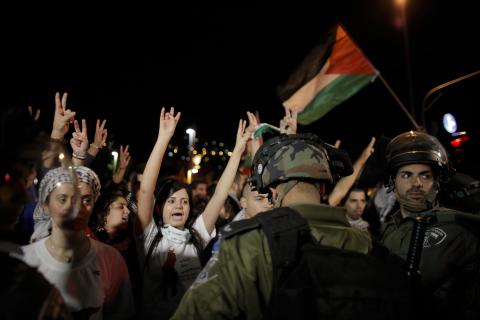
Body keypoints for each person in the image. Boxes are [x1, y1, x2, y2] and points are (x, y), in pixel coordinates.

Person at [172, 133, 372, 319]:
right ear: (322, 187)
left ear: (274, 192)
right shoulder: (365, 243)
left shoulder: (249, 244)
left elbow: (194, 312)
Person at [136, 108, 250, 319]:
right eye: (171, 201)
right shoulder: (150, 236)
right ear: (160, 208)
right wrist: (164, 138)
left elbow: (219, 196)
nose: (179, 206)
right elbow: (145, 190)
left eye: (184, 202)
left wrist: (238, 151)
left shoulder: (197, 235)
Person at [379, 130, 480, 319]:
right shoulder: (391, 226)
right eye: (406, 175)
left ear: (437, 181)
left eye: (425, 176)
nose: (416, 183)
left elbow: (398, 283)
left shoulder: (452, 227)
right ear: (393, 180)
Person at [22, 166, 135, 319]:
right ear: (46, 206)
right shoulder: (25, 260)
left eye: (86, 200)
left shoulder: (110, 259)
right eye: (63, 199)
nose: (75, 208)